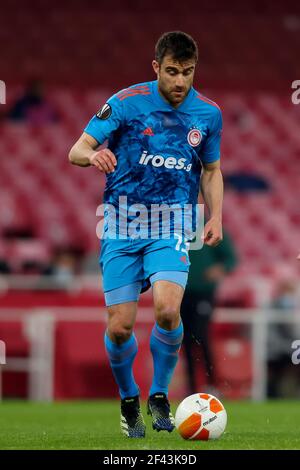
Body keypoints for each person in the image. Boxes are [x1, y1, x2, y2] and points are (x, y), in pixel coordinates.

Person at [68, 31, 223, 438]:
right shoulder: (125, 102)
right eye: (172, 72)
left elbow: (211, 170)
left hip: (173, 224)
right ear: (156, 67)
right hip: (121, 225)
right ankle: (128, 399)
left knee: (169, 310)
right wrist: (94, 154)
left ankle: (159, 394)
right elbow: (76, 150)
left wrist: (216, 217)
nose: (180, 82)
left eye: (187, 73)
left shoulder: (208, 114)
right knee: (120, 326)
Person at [181, 229, 237, 395]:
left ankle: (212, 384)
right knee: (185, 340)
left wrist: (220, 269)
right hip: (180, 292)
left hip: (203, 292)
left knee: (201, 336)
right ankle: (191, 389)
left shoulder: (210, 227)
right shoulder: (175, 224)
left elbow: (230, 259)